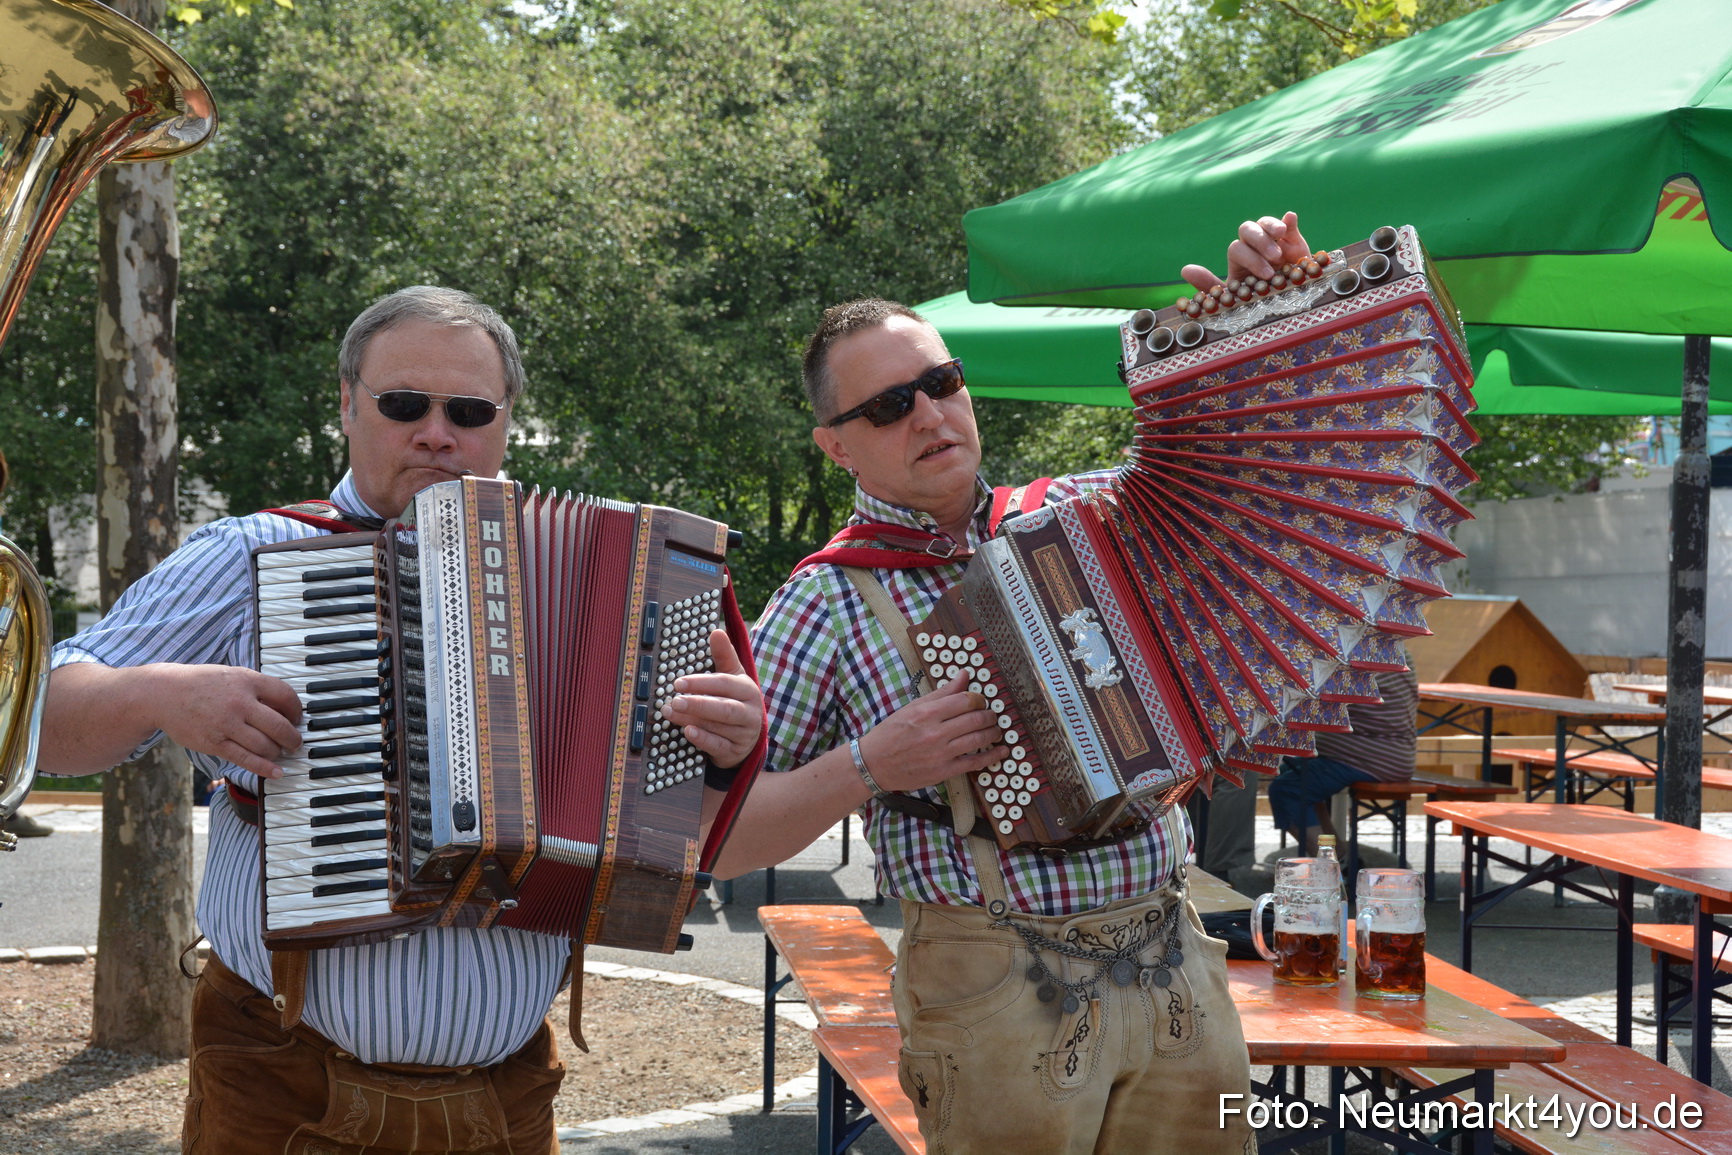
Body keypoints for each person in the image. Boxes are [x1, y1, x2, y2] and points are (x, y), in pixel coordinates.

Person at [36, 286, 764, 1155]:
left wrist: (720, 749)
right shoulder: (254, 552)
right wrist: (159, 692)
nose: (436, 431)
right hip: (283, 1089)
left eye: (468, 409)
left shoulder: (620, 584)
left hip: (509, 1101)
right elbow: (39, 714)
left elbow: (665, 846)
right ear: (347, 404)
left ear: (504, 421)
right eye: (403, 403)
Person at [711, 215, 1319, 1155]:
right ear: (836, 446)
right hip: (991, 977)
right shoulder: (823, 598)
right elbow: (725, 841)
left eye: (940, 383)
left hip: (1172, 957)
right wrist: (871, 763)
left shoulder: (1084, 514)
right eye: (885, 407)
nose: (927, 414)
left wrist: (1260, 318)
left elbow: (1262, 488)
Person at [1268, 663, 1419, 857]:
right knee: (1297, 777)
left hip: (1375, 757)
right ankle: (1338, 856)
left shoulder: (1363, 661)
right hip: (1382, 753)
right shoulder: (1389, 650)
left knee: (1288, 791)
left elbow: (1317, 701)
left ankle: (1327, 868)